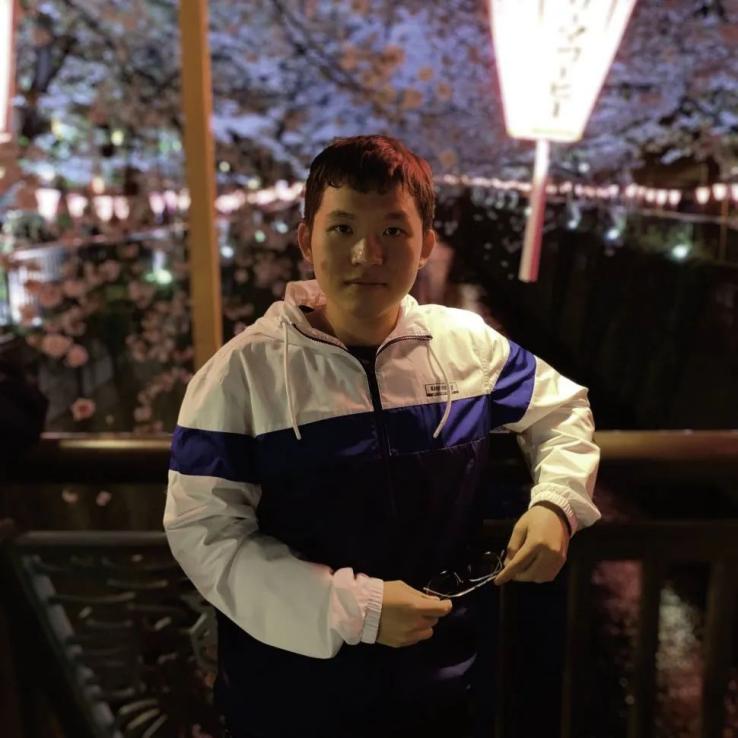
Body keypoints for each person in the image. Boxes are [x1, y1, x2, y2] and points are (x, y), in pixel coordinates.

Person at [164, 135, 601, 738]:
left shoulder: (467, 347)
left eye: (394, 231)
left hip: (443, 687)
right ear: (306, 240)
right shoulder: (241, 375)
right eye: (342, 228)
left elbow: (562, 409)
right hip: (289, 697)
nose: (367, 254)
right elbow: (205, 536)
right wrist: (355, 609)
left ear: (427, 245)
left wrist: (557, 505)